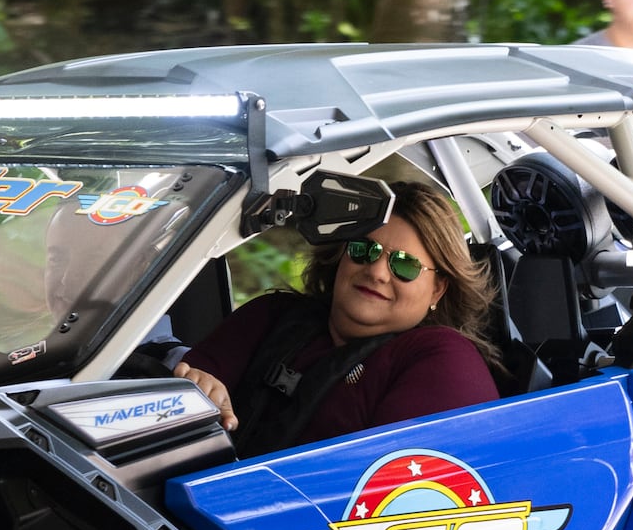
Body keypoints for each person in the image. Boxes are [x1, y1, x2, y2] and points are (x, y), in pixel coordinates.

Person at [175, 181, 500, 455]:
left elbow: (388, 487)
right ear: (340, 254)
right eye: (363, 249)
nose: (376, 272)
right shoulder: (272, 315)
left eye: (404, 264)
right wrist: (198, 389)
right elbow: (178, 395)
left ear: (437, 290)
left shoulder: (443, 358)